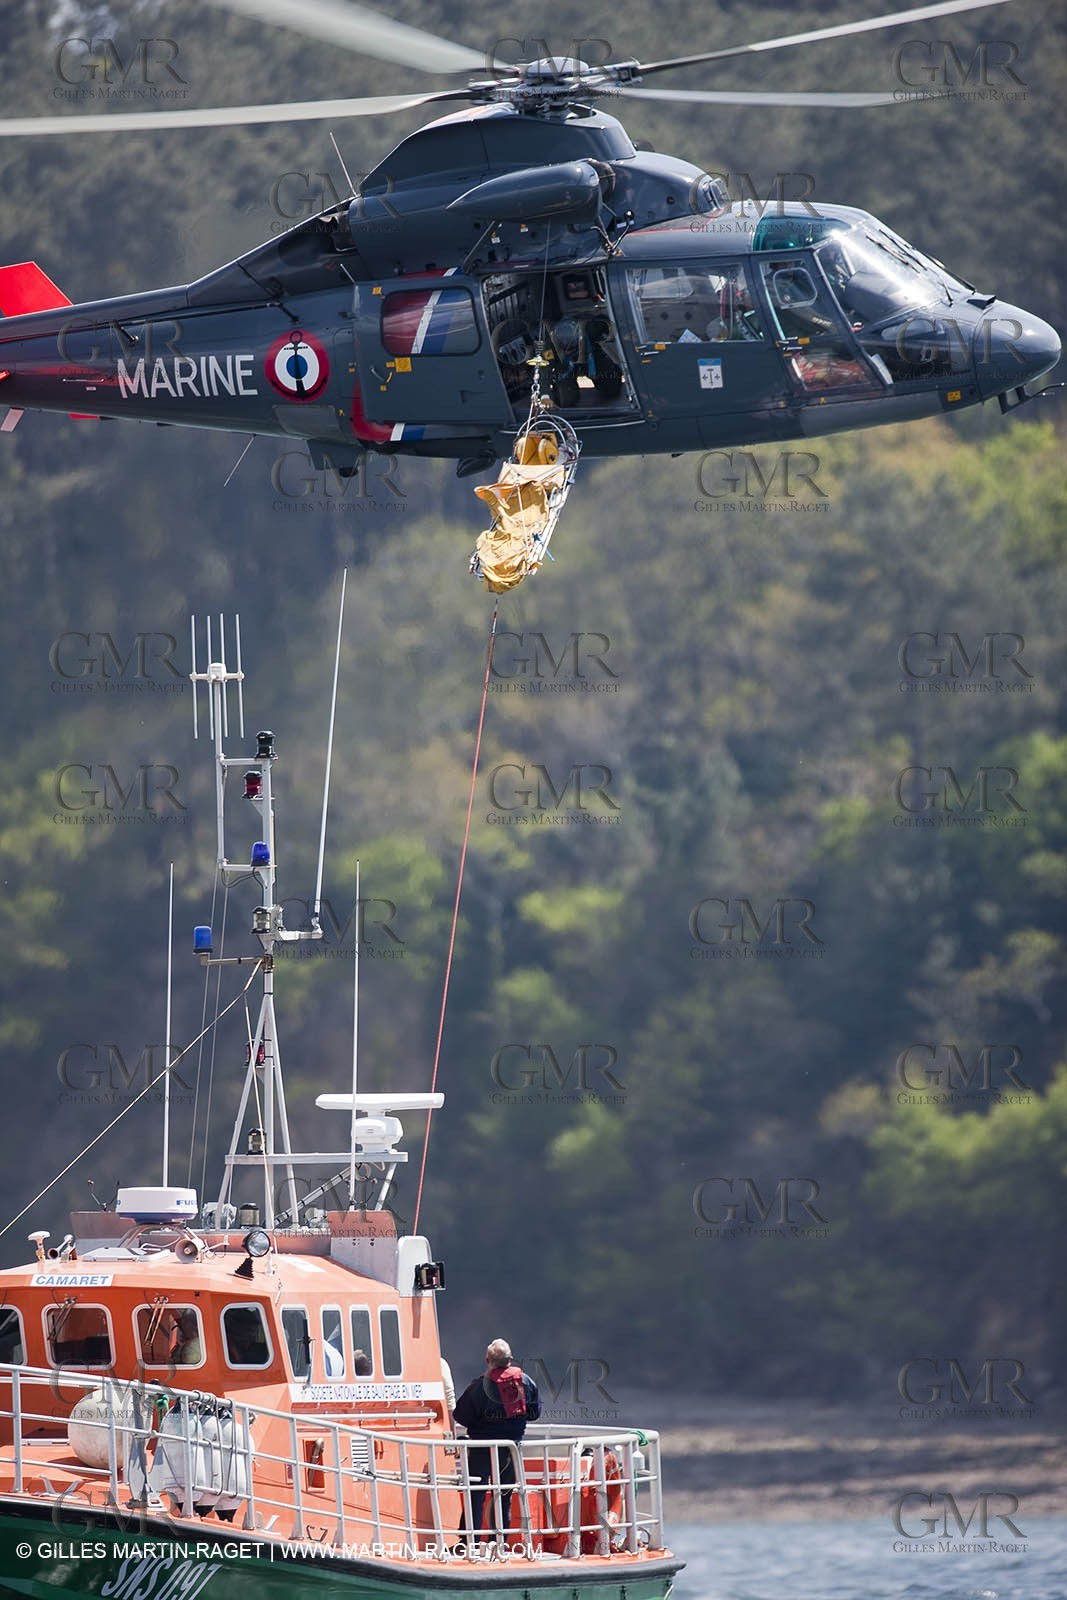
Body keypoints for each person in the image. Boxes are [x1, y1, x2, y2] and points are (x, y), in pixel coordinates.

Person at [452, 1338, 541, 1549]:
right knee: (503, 1495)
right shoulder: (526, 1382)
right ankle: (498, 1543)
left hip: (481, 1448)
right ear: (511, 1359)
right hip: (511, 1449)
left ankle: (470, 1542)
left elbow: (460, 1415)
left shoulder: (478, 1387)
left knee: (475, 1494)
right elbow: (534, 1413)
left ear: (487, 1360)